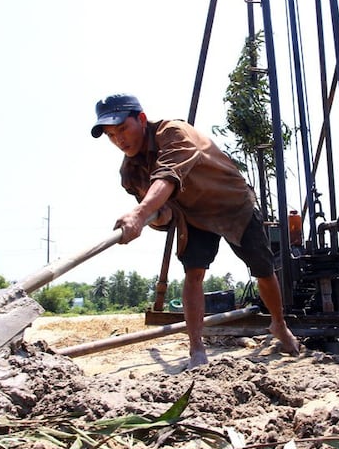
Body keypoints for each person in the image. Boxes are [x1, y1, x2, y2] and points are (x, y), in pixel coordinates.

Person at [91, 93, 301, 369]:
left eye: (122, 129)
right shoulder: (131, 172)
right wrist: (153, 217)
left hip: (231, 203)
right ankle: (196, 350)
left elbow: (167, 175)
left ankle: (279, 324)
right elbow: (161, 217)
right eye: (110, 135)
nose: (119, 140)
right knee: (193, 274)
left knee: (262, 269)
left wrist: (139, 213)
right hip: (193, 215)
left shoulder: (173, 133)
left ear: (141, 119)